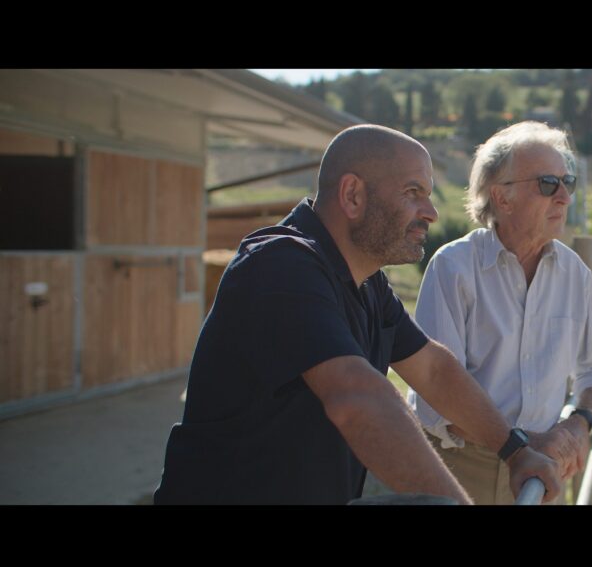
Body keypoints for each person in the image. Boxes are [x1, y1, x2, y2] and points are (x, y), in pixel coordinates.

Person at [153, 125, 561, 505]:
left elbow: (433, 369)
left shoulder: (366, 282)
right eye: (413, 192)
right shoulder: (280, 265)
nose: (431, 212)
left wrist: (515, 450)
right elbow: (358, 397)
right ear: (352, 195)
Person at [409, 121, 592, 504]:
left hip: (542, 470)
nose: (564, 198)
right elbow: (436, 394)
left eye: (567, 182)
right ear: (502, 198)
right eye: (547, 184)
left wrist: (578, 422)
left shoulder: (575, 274)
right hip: (460, 467)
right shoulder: (453, 268)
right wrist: (520, 446)